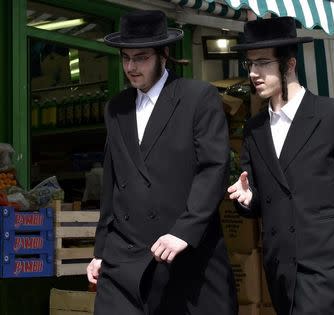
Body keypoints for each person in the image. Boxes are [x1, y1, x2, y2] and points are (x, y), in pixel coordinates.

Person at [227, 16, 334, 315]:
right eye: (250, 64)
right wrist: (247, 198)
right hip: (280, 266)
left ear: (290, 64)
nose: (254, 72)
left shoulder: (330, 115)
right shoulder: (255, 129)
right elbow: (257, 201)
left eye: (263, 62)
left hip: (325, 267)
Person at [87, 10, 237, 315]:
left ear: (163, 55)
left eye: (140, 57)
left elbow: (214, 168)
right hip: (123, 259)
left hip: (184, 255)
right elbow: (113, 183)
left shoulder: (198, 97)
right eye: (125, 57)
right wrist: (100, 252)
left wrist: (184, 230)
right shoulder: (116, 108)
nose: (131, 66)